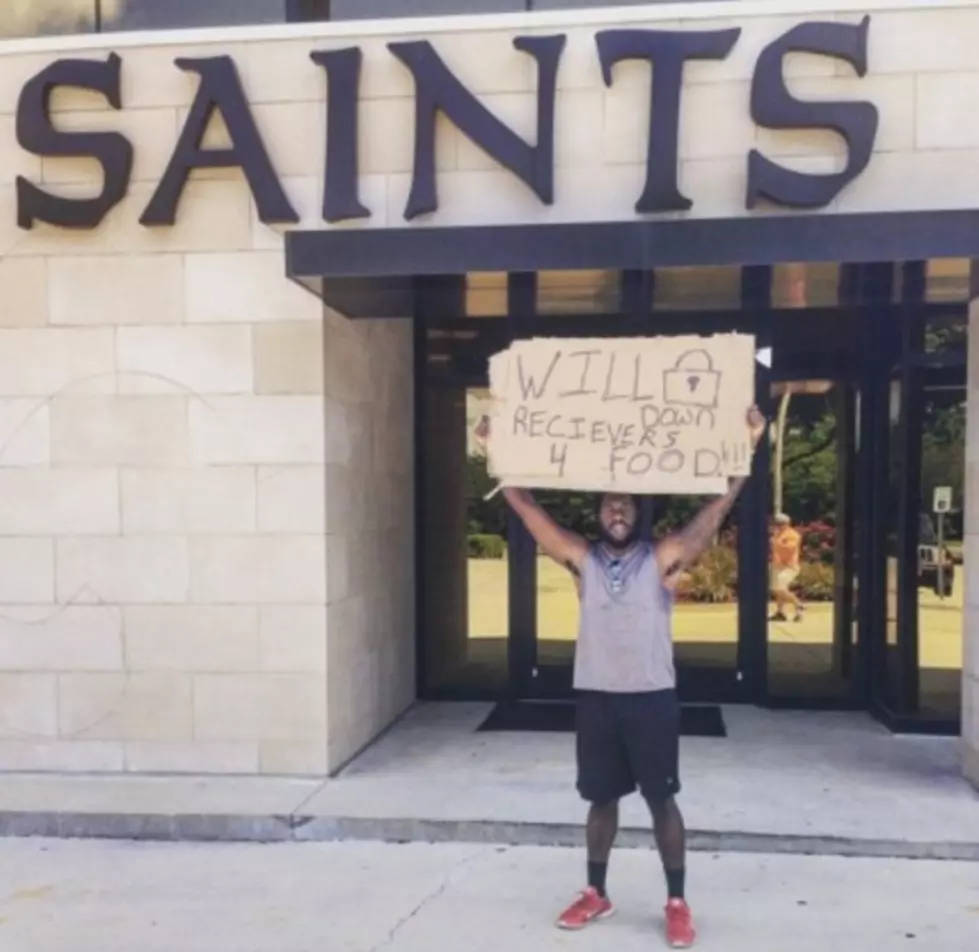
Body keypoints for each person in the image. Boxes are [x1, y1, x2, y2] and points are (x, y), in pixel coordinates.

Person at [475, 406, 766, 949]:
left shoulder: (663, 558)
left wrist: (746, 451)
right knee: (600, 800)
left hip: (652, 700)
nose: (617, 509)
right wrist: (495, 452)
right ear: (599, 511)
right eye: (609, 501)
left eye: (627, 503)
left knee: (663, 801)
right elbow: (526, 505)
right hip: (597, 701)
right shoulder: (580, 559)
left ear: (639, 513)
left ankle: (676, 902)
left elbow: (714, 510)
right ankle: (596, 893)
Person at [770, 513, 804, 623]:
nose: (777, 526)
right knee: (779, 590)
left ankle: (798, 604)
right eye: (776, 523)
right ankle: (780, 613)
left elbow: (789, 549)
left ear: (786, 524)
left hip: (790, 566)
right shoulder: (777, 534)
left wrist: (775, 544)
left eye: (780, 524)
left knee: (779, 587)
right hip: (778, 565)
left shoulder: (793, 535)